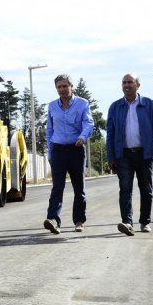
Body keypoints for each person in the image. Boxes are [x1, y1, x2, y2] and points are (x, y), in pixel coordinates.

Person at [106, 73, 153, 236]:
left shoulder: (149, 105)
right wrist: (110, 156)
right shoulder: (115, 107)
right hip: (123, 155)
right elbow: (110, 133)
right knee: (125, 189)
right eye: (124, 82)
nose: (127, 85)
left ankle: (145, 222)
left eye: (130, 82)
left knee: (146, 189)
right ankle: (127, 222)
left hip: (144, 154)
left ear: (138, 85)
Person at [43, 74, 94, 234]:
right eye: (59, 87)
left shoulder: (82, 104)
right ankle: (53, 220)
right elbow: (49, 130)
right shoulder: (52, 106)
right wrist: (50, 152)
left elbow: (88, 123)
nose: (62, 89)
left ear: (71, 86)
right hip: (58, 150)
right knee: (57, 187)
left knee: (79, 188)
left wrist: (82, 137)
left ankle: (79, 221)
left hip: (75, 149)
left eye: (65, 86)